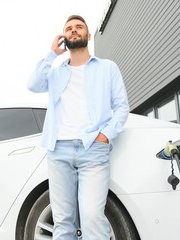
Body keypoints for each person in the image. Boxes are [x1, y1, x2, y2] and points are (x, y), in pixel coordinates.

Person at [27, 14, 129, 240]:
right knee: (63, 221)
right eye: (69, 28)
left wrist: (105, 135)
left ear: (88, 35)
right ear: (64, 36)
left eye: (79, 27)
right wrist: (51, 53)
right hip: (58, 150)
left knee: (92, 216)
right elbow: (32, 84)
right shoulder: (55, 72)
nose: (74, 30)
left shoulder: (107, 68)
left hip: (93, 149)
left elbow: (122, 107)